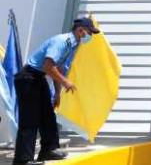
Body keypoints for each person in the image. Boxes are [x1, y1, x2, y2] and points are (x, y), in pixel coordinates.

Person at [13, 17, 99, 165]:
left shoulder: (73, 44)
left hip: (38, 78)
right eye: (89, 32)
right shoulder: (62, 41)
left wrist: (57, 93)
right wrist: (65, 83)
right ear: (80, 31)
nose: (90, 36)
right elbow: (48, 66)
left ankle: (48, 151)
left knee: (48, 115)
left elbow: (58, 67)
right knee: (30, 120)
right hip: (27, 78)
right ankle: (22, 160)